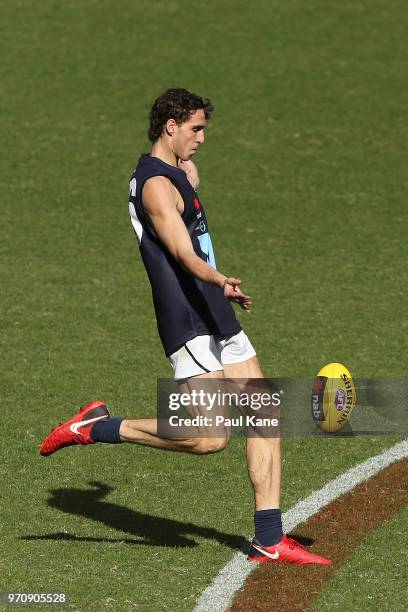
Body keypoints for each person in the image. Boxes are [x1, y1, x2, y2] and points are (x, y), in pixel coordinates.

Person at [40, 88, 330, 566]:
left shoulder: (177, 172)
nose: (201, 138)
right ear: (169, 126)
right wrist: (221, 279)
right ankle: (97, 426)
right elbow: (180, 251)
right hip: (190, 320)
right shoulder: (154, 185)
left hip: (216, 311)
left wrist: (191, 180)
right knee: (208, 437)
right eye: (195, 129)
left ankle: (269, 538)